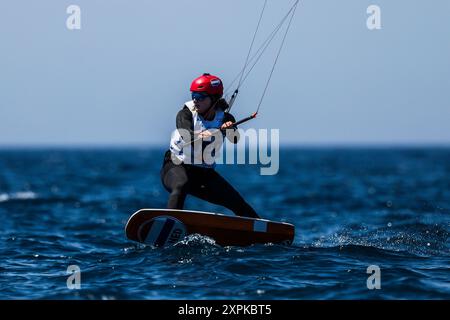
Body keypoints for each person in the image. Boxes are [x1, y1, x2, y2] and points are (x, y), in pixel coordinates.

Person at [160, 73, 260, 219]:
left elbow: (235, 139)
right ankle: (170, 224)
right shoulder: (185, 113)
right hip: (176, 166)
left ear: (213, 99)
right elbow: (186, 134)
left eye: (200, 97)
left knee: (237, 202)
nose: (195, 100)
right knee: (181, 185)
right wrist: (205, 133)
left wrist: (229, 129)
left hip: (204, 173)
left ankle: (261, 230)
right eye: (194, 95)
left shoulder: (226, 118)